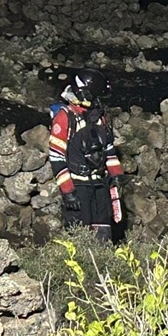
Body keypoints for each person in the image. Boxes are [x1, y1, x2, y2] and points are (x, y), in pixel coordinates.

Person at [48, 68, 127, 241]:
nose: (98, 101)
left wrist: (116, 175)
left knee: (104, 233)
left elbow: (108, 149)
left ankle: (103, 258)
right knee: (79, 235)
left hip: (100, 184)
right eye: (96, 96)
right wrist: (68, 190)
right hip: (78, 186)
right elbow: (56, 156)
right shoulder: (65, 117)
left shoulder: (99, 117)